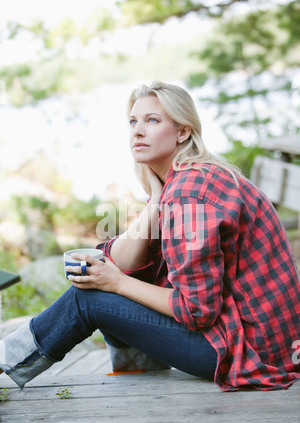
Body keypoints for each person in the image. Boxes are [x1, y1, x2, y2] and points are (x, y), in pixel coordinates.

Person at [1, 81, 300, 391]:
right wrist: (155, 203)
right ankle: (141, 378)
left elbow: (197, 310)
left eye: (152, 120)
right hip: (254, 341)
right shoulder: (181, 182)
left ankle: (7, 361)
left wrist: (116, 283)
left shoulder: (190, 193)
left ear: (183, 132)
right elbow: (122, 262)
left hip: (248, 353)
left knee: (86, 300)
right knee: (113, 285)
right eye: (133, 121)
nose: (137, 131)